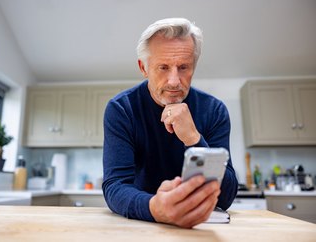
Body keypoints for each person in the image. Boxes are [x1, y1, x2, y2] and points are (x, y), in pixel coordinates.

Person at [102, 18, 238, 228]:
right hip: (141, 222)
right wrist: (155, 208)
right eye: (163, 67)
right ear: (143, 67)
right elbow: (115, 186)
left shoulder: (214, 111)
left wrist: (194, 139)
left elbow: (226, 196)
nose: (174, 81)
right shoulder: (121, 109)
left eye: (183, 67)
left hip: (201, 228)